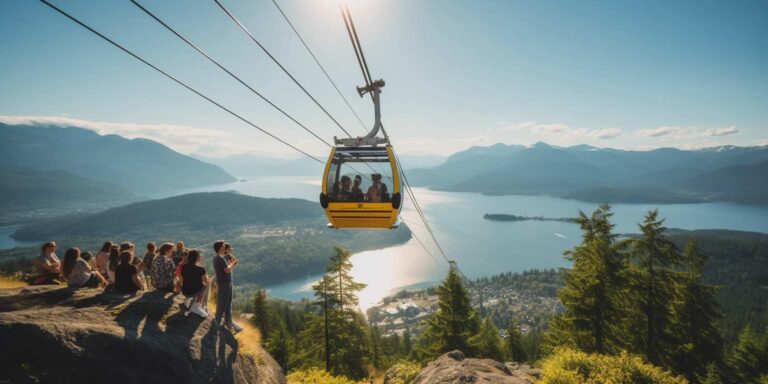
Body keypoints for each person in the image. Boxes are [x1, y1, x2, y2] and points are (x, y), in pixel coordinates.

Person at [213, 240, 241, 333]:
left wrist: (230, 263)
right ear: (220, 248)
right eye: (223, 247)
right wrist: (233, 263)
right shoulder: (219, 258)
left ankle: (229, 322)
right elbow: (227, 270)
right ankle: (217, 323)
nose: (225, 248)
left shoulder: (218, 258)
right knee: (222, 303)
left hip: (226, 282)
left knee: (227, 303)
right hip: (224, 283)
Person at [181, 249, 210, 318]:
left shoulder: (184, 267)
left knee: (196, 284)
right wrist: (208, 280)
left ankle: (188, 299)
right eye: (199, 256)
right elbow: (205, 281)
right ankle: (197, 305)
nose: (201, 257)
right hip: (193, 292)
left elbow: (182, 281)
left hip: (185, 291)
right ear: (196, 257)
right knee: (205, 285)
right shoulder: (201, 269)